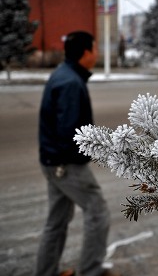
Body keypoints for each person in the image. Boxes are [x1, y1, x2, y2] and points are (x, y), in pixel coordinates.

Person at [34, 31, 120, 276]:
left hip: (52, 161)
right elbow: (70, 132)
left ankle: (45, 272)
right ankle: (91, 271)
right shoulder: (71, 82)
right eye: (94, 49)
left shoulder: (64, 75)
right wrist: (84, 157)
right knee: (97, 211)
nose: (96, 54)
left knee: (57, 221)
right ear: (85, 53)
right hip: (65, 164)